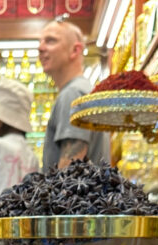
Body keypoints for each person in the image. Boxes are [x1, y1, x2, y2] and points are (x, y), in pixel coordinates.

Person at [38, 18, 108, 171]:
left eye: (50, 41)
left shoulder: (73, 94)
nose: (40, 47)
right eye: (40, 41)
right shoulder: (82, 90)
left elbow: (71, 170)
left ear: (75, 50)